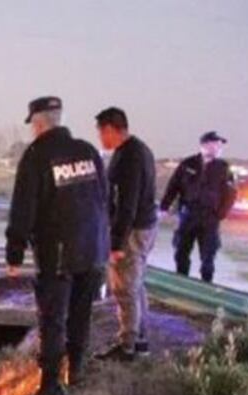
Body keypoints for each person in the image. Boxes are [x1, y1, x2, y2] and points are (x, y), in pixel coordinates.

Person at [5, 96, 109, 395]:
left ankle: (51, 386)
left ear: (38, 124)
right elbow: (103, 198)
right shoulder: (88, 151)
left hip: (58, 254)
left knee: (53, 319)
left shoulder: (36, 156)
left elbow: (23, 208)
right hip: (92, 249)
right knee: (81, 314)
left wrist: (14, 253)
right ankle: (76, 372)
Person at [94, 107, 158, 361]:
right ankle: (140, 339)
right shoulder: (139, 150)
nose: (100, 138)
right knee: (136, 283)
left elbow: (127, 204)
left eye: (101, 133)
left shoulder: (130, 156)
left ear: (111, 129)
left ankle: (128, 345)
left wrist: (116, 243)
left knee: (125, 287)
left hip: (132, 231)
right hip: (143, 227)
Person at [160, 131, 237, 283]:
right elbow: (173, 186)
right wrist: (164, 207)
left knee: (208, 256)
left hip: (210, 218)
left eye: (220, 146)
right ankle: (181, 282)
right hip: (188, 214)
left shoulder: (223, 167)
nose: (218, 148)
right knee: (181, 251)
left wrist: (221, 213)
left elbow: (231, 193)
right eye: (215, 145)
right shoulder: (188, 164)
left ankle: (206, 285)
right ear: (205, 145)